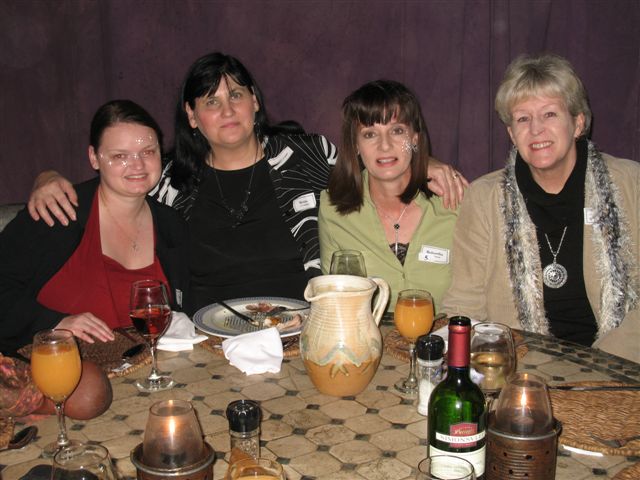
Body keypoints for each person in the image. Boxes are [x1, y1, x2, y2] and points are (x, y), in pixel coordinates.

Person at [27, 53, 467, 314]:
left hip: (302, 330)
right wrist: (48, 179)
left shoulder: (306, 155)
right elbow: (117, 178)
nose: (227, 110)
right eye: (211, 101)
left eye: (236, 95)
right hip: (205, 337)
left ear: (255, 101)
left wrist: (426, 163)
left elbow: (374, 160)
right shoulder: (170, 179)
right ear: (192, 116)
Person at [442, 53, 639, 362]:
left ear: (577, 123)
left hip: (616, 365)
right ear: (511, 133)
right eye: (523, 119)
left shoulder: (630, 183)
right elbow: (463, 304)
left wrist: (598, 367)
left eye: (549, 114)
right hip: (520, 366)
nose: (536, 130)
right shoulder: (483, 197)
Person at [0, 99, 189, 355]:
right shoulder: (57, 210)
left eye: (148, 152)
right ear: (94, 157)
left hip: (150, 366)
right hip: (59, 365)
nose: (138, 165)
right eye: (120, 156)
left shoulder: (172, 225)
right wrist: (54, 323)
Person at [319, 80, 459, 312]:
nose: (384, 146)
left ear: (414, 139)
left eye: (397, 131)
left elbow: (477, 296)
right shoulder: (333, 209)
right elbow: (334, 300)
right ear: (356, 145)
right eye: (370, 134)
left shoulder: (453, 203)